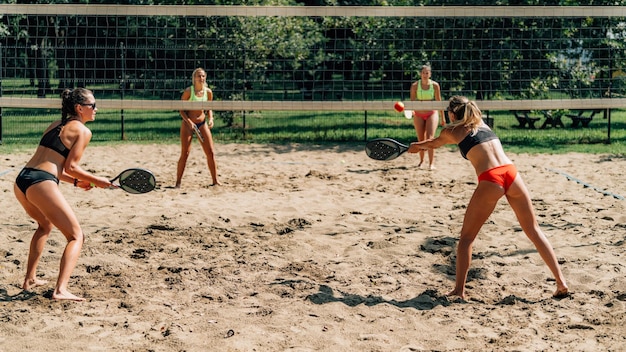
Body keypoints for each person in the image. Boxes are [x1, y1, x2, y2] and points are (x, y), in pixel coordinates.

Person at [408, 95, 569, 300]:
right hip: (512, 174)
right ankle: (561, 281)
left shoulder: (451, 131)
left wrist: (416, 145)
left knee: (466, 239)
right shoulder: (481, 123)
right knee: (534, 230)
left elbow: (433, 143)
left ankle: (459, 290)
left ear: (450, 114)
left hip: (491, 179)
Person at [13, 88, 113, 301]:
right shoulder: (83, 131)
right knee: (76, 236)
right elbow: (72, 167)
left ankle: (29, 279)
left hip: (22, 180)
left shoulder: (54, 126)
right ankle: (61, 290)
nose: (96, 109)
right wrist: (99, 180)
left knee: (45, 225)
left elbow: (54, 166)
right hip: (40, 183)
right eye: (92, 105)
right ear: (79, 108)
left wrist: (77, 183)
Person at [176, 68, 220, 187]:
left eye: (203, 76)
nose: (201, 78)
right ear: (194, 78)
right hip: (188, 124)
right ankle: (178, 182)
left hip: (202, 123)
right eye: (198, 76)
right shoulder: (188, 91)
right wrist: (189, 121)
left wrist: (211, 118)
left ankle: (215, 181)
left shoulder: (208, 92)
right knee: (185, 153)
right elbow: (180, 109)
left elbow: (209, 107)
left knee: (210, 152)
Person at [409, 64, 445, 170]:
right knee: (420, 139)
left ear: (430, 74)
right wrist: (411, 111)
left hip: (431, 113)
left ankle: (431, 163)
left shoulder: (435, 85)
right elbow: (411, 102)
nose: (425, 74)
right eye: (423, 72)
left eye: (427, 72)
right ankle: (421, 161)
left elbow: (439, 102)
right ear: (420, 74)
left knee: (430, 138)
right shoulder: (415, 86)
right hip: (418, 114)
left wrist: (443, 118)